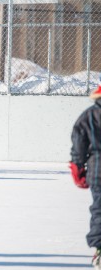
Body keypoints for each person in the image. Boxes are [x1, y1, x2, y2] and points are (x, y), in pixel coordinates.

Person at [70, 85, 101, 268]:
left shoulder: (88, 116)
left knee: (100, 210)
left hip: (98, 172)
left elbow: (78, 143)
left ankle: (100, 250)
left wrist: (77, 166)